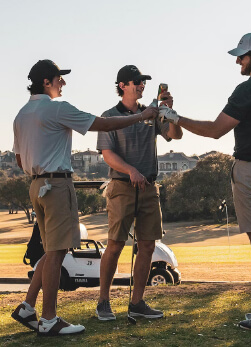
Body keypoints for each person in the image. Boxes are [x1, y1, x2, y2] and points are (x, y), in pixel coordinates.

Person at [160, 32, 251, 333]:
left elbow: (214, 131)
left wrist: (176, 117)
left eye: (243, 56)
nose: (238, 60)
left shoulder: (247, 89)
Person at [12, 59, 157, 336]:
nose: (62, 83)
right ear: (46, 81)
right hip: (56, 185)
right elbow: (102, 124)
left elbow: (19, 160)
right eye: (59, 78)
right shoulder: (57, 108)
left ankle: (28, 307)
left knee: (50, 250)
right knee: (57, 252)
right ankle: (49, 319)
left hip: (35, 185)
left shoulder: (21, 114)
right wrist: (140, 116)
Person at [96, 65, 182, 320]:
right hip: (122, 187)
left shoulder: (153, 113)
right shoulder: (109, 116)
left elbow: (175, 136)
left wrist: (170, 113)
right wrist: (131, 170)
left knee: (147, 245)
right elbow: (108, 155)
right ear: (122, 85)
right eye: (136, 81)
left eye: (143, 82)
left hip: (149, 188)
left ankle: (137, 303)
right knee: (115, 245)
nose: (141, 85)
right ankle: (103, 302)